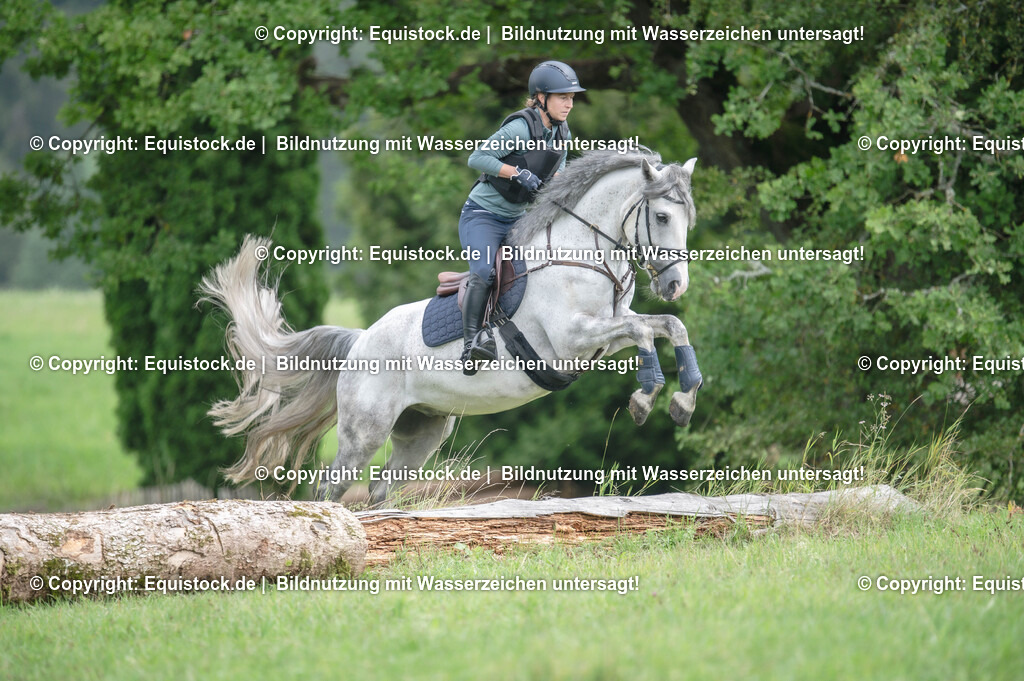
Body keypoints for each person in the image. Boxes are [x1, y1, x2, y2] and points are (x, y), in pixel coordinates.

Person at [458, 60, 585, 375]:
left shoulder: (562, 135)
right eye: (562, 97)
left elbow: (558, 179)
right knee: (485, 272)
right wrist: (516, 172)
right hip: (482, 216)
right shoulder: (520, 128)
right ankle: (470, 343)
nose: (569, 104)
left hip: (518, 220)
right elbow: (477, 158)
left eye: (572, 98)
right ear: (541, 97)